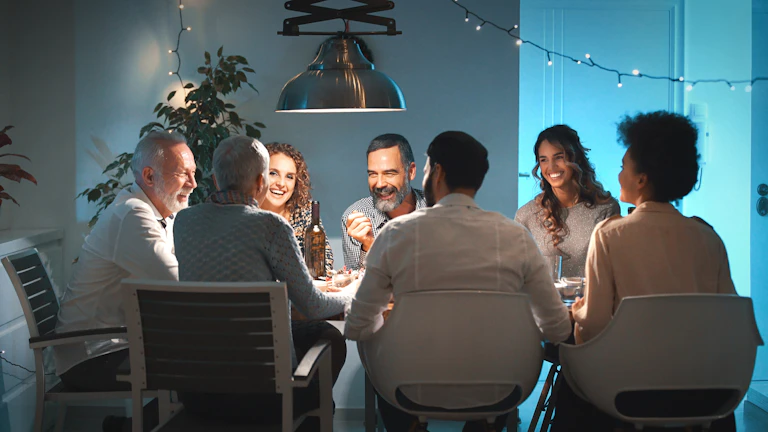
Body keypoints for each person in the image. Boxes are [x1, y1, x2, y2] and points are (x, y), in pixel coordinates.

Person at [345, 131, 572, 432]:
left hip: (407, 386)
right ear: (478, 179)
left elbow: (357, 325)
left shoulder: (395, 234)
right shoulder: (514, 236)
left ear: (436, 172)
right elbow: (557, 328)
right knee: (494, 378)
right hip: (501, 386)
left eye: (425, 167)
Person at [554, 112, 737, 432]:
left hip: (629, 390)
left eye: (624, 166)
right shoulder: (708, 237)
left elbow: (595, 323)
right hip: (701, 389)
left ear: (641, 179)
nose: (619, 173)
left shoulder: (610, 233)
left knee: (568, 362)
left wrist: (576, 312)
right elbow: (727, 318)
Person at [173, 135, 353, 427]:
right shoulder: (270, 225)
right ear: (261, 183)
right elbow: (313, 305)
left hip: (197, 392)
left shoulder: (183, 221)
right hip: (262, 394)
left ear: (216, 180)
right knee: (331, 338)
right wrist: (352, 296)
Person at [55, 131, 196, 432]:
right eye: (184, 174)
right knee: (205, 367)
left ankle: (128, 426)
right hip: (91, 358)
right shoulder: (133, 214)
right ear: (149, 175)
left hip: (112, 345)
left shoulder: (157, 213)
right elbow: (181, 283)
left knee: (206, 362)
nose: (193, 184)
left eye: (193, 174)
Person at [515, 125, 619, 278]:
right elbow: (517, 274)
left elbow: (613, 271)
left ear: (575, 158)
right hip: (544, 301)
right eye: (544, 160)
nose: (551, 167)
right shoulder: (526, 215)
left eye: (559, 157)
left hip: (591, 300)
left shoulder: (606, 209)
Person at [341, 133, 427, 270]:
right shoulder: (357, 217)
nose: (380, 184)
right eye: (373, 174)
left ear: (411, 172)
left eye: (389, 173)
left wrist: (373, 246)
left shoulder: (437, 210)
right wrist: (367, 246)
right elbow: (357, 285)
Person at [261, 142, 334, 275]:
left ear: (296, 183)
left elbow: (325, 263)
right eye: (273, 173)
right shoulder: (246, 213)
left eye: (289, 177)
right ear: (260, 176)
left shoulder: (304, 212)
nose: (281, 184)